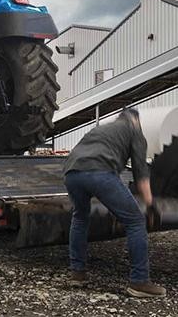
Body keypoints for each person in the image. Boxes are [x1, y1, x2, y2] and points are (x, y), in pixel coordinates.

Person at [63, 108, 165, 297]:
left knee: (80, 218)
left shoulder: (100, 129)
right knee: (135, 221)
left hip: (71, 173)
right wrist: (150, 205)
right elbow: (141, 174)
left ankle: (77, 274)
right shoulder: (135, 131)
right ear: (135, 121)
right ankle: (139, 282)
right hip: (100, 172)